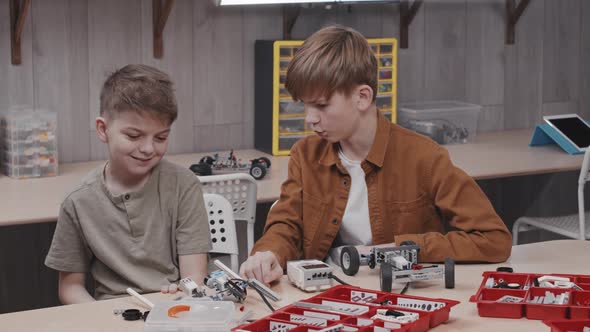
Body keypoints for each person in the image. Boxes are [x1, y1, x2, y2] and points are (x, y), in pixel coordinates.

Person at [239, 25, 512, 285]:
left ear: (363, 97)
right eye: (305, 106)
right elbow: (287, 224)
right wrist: (269, 253)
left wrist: (406, 249)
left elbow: (494, 239)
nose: (310, 118)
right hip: (330, 294)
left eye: (321, 105)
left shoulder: (425, 158)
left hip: (399, 296)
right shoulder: (305, 155)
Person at [45, 64, 210, 303]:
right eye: (133, 136)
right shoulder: (78, 201)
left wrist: (182, 296)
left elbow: (194, 276)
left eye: (161, 137)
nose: (148, 149)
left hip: (174, 307)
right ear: (103, 129)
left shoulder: (184, 185)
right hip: (109, 314)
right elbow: (70, 288)